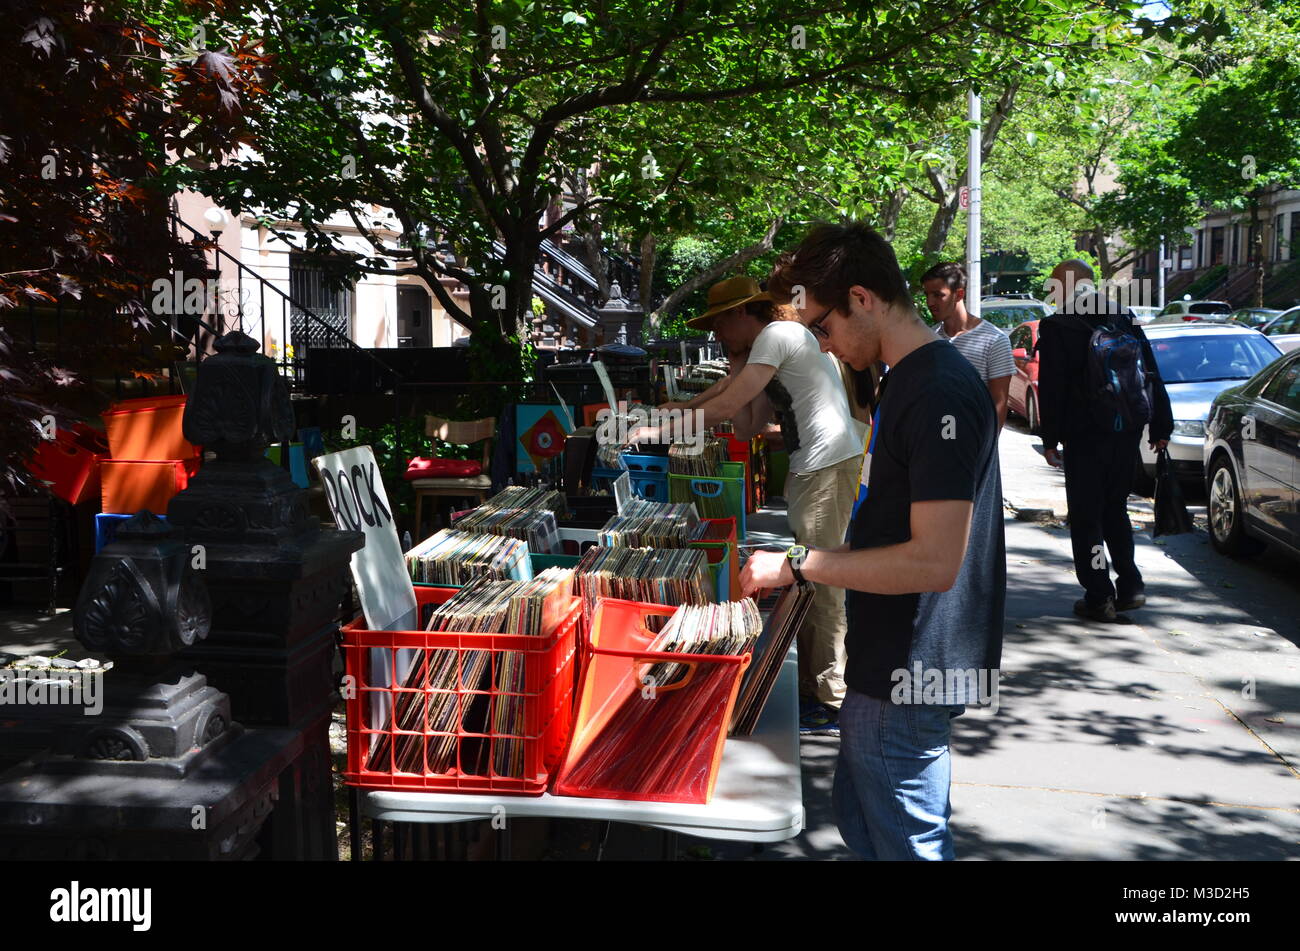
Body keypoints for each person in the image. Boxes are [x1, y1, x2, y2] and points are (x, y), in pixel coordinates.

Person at [742, 222, 1005, 861]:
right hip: (894, 657)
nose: (824, 345)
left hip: (912, 663)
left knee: (905, 846)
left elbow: (935, 560)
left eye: (823, 326)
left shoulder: (936, 387)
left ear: (862, 298)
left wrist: (799, 565)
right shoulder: (910, 379)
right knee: (869, 827)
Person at [634, 275, 862, 732]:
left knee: (821, 579)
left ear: (743, 312)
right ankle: (818, 691)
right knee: (809, 576)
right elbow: (745, 424)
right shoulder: (770, 344)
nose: (716, 336)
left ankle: (832, 698)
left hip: (825, 465)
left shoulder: (779, 335)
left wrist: (659, 429)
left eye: (719, 324)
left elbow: (721, 409)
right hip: (814, 467)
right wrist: (733, 368)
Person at [1036, 259, 1173, 622]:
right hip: (1125, 431)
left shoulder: (1057, 325)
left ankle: (1099, 595)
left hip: (1085, 435)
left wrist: (1050, 439)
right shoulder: (1122, 316)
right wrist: (1161, 425)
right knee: (1115, 509)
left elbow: (1052, 388)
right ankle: (1130, 584)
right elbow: (1150, 373)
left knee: (1085, 518)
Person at [921, 262, 1015, 428]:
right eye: (927, 294)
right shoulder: (928, 337)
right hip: (933, 441)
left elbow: (999, 405)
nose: (930, 302)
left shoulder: (994, 340)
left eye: (937, 295)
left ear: (959, 294)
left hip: (973, 444)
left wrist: (986, 450)